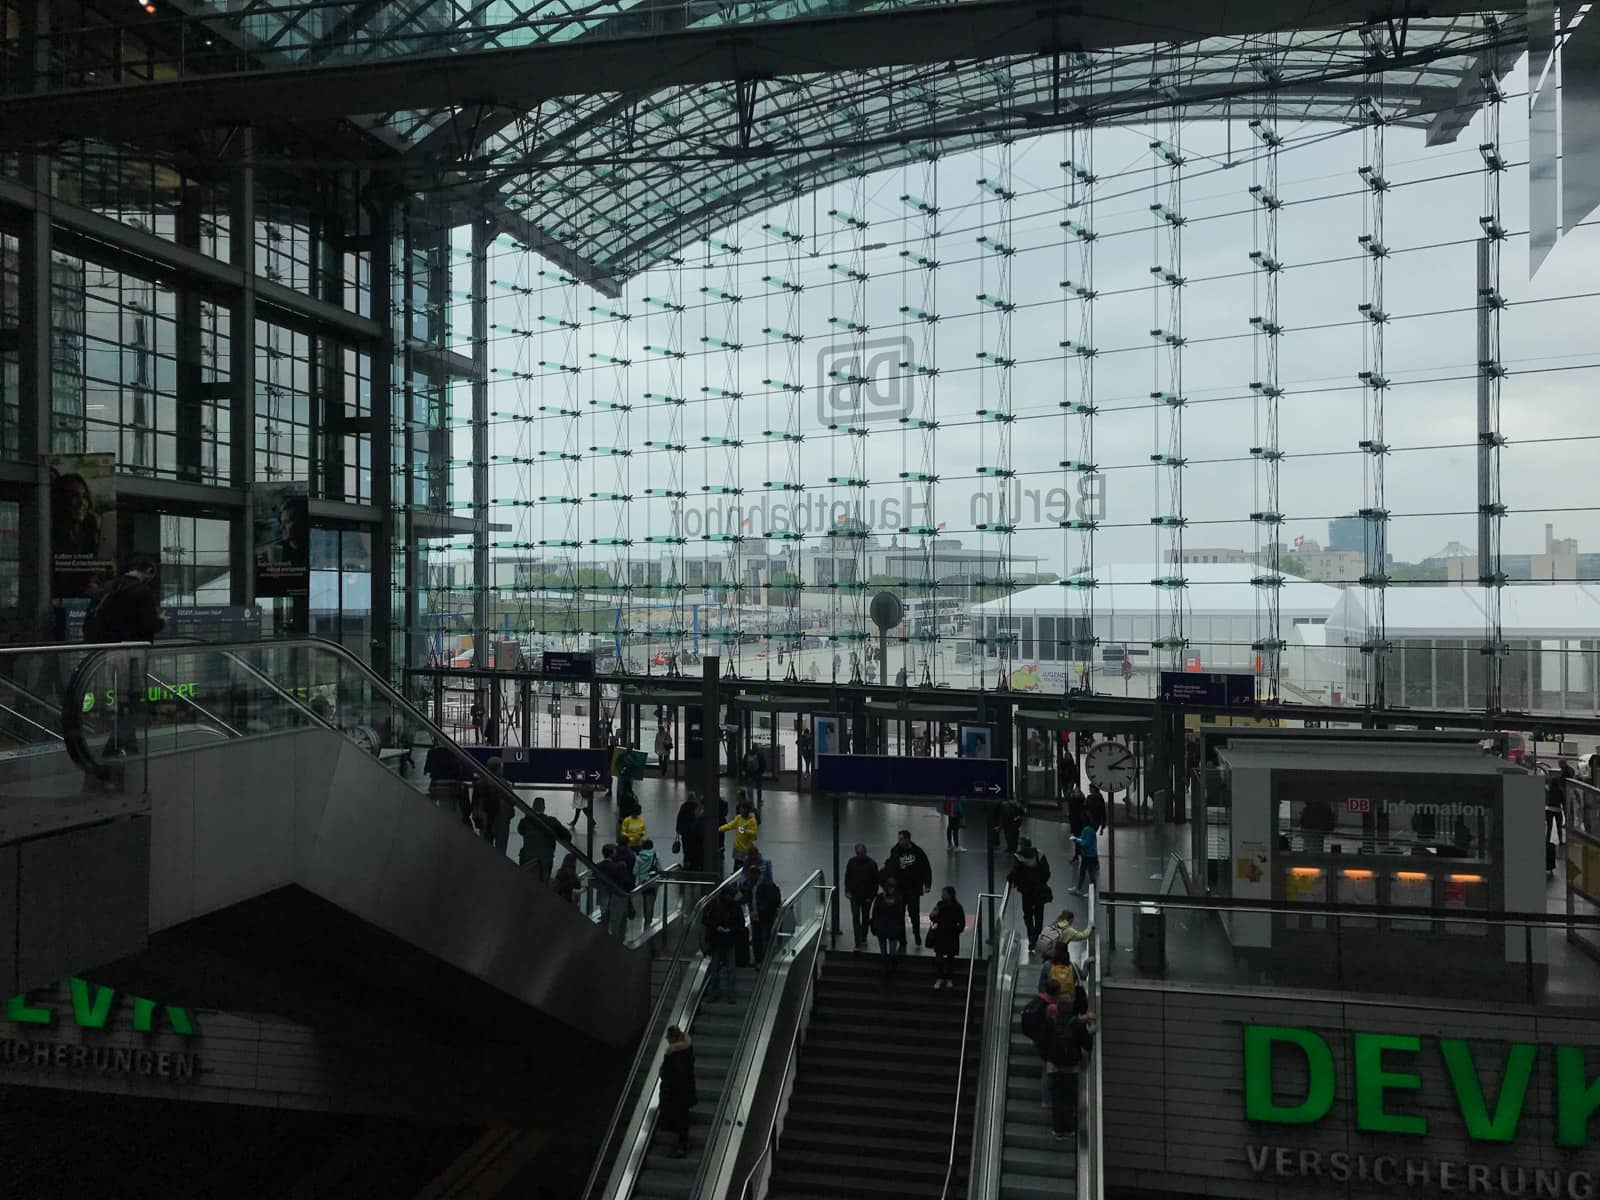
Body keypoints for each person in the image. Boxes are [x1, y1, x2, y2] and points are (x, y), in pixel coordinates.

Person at [83, 556, 166, 755]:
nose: (149, 580)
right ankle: (113, 746)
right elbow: (149, 625)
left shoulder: (110, 587)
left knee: (123, 701)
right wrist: (161, 620)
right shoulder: (142, 592)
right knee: (135, 699)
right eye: (150, 575)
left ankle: (128, 744)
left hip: (110, 652)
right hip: (134, 652)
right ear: (146, 571)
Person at [1044, 1010, 1095, 1141]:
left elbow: (1042, 1041)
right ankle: (1070, 1128)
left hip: (1054, 1068)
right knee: (1069, 1100)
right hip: (1071, 1069)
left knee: (1057, 1100)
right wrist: (1090, 1032)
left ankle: (1058, 1130)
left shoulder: (1051, 1022)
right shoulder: (1076, 1024)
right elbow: (1088, 1045)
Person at [883, 829, 933, 947]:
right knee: (899, 914)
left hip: (913, 888)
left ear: (907, 839)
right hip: (899, 888)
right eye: (899, 839)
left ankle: (916, 934)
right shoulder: (895, 851)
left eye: (901, 839)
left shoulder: (917, 852)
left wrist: (927, 884)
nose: (899, 841)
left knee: (914, 913)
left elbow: (926, 868)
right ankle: (902, 940)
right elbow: (891, 867)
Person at [658, 1026, 698, 1159]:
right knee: (682, 1116)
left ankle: (683, 1145)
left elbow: (669, 1074)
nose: (666, 1039)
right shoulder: (687, 1050)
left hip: (677, 1093)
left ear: (673, 1038)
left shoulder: (674, 1054)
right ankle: (682, 1141)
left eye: (668, 1037)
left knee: (681, 1118)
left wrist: (665, 1068)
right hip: (684, 1092)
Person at [1007, 839, 1053, 948]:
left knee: (1027, 914)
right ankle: (1037, 936)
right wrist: (1041, 882)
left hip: (1026, 891)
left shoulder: (1019, 857)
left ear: (1021, 845)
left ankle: (1031, 935)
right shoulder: (1039, 855)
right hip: (1039, 890)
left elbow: (1015, 873)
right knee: (1039, 914)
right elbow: (1047, 872)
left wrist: (1013, 881)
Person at [703, 889, 744, 1004]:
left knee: (719, 968)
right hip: (723, 939)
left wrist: (721, 928)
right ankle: (727, 993)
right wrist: (723, 928)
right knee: (724, 968)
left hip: (721, 939)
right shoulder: (722, 905)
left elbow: (706, 919)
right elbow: (740, 923)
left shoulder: (719, 904)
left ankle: (717, 992)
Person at [517, 795, 563, 882]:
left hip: (527, 857)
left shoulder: (525, 821)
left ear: (533, 807)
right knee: (543, 882)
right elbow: (567, 835)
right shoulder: (552, 822)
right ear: (544, 808)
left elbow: (520, 831)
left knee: (526, 881)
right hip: (545, 859)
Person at [927, 886, 965, 989]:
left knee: (950, 959)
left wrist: (956, 930)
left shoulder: (957, 907)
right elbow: (932, 916)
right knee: (939, 958)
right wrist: (933, 915)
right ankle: (940, 977)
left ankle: (948, 978)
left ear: (950, 895)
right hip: (940, 935)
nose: (942, 895)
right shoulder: (940, 905)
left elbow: (962, 922)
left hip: (951, 936)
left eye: (944, 893)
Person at [844, 843, 881, 950]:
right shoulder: (853, 862)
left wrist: (872, 896)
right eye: (858, 853)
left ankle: (862, 937)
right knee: (856, 918)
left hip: (866, 896)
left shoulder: (871, 864)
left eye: (861, 853)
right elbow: (847, 877)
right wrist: (847, 890)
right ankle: (858, 940)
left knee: (864, 918)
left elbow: (875, 882)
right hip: (855, 895)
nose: (859, 855)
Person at [870, 879, 908, 980]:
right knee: (884, 952)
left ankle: (890, 968)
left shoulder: (898, 899)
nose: (891, 889)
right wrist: (875, 925)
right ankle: (886, 970)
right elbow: (875, 913)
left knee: (892, 952)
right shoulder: (881, 898)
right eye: (890, 887)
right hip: (883, 927)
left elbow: (900, 916)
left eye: (893, 887)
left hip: (892, 927)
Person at [597, 844, 633, 939]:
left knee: (604, 917)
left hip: (602, 895)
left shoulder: (598, 866)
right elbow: (625, 882)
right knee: (616, 921)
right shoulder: (617, 867)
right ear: (612, 853)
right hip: (616, 897)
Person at [750, 868, 781, 964]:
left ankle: (764, 961)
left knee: (764, 939)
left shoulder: (767, 885)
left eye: (751, 874)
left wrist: (759, 911)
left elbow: (770, 902)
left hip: (764, 917)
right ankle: (760, 961)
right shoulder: (754, 885)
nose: (750, 877)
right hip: (757, 917)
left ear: (757, 874)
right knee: (758, 940)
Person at [719, 801, 759, 870]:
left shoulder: (752, 821)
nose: (740, 810)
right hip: (737, 847)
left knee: (744, 867)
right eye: (740, 809)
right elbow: (730, 825)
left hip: (746, 848)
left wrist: (744, 831)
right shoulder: (738, 818)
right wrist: (719, 829)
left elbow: (754, 832)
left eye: (742, 809)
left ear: (747, 810)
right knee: (736, 865)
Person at [634, 838, 662, 925]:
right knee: (651, 900)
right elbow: (660, 869)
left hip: (643, 882)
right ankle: (648, 920)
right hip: (653, 881)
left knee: (645, 899)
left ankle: (646, 918)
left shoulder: (638, 857)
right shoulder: (655, 855)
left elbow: (634, 871)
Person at [676, 793, 704, 870]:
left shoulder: (683, 807)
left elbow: (679, 819)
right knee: (695, 850)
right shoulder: (697, 807)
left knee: (686, 850)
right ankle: (695, 866)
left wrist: (679, 830)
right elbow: (698, 820)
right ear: (694, 798)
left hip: (685, 834)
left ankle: (686, 864)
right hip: (694, 834)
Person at [1071, 823, 1099, 895]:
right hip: (1088, 854)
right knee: (1084, 872)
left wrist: (1076, 840)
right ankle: (1078, 888)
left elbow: (1085, 843)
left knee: (1089, 873)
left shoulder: (1087, 830)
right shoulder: (1090, 830)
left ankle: (1089, 891)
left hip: (1088, 855)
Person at [741, 743, 767, 811]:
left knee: (750, 789)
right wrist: (760, 773)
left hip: (749, 775)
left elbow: (743, 763)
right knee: (759, 788)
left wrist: (745, 772)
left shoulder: (747, 754)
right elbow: (763, 765)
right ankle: (759, 801)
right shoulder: (760, 755)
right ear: (757, 748)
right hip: (758, 775)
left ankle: (750, 802)